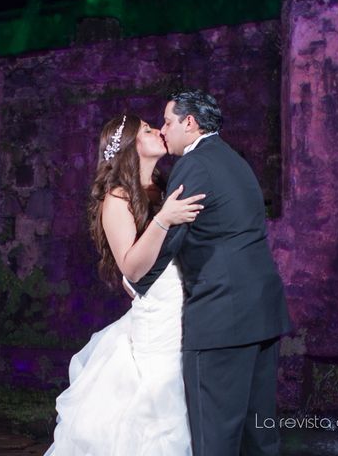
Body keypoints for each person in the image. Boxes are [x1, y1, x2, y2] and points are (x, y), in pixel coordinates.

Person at [128, 90, 292, 456]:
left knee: (215, 439)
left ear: (190, 122)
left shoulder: (194, 164)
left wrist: (137, 280)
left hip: (223, 320)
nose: (164, 130)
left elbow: (172, 234)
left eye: (168, 122)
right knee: (260, 438)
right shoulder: (234, 160)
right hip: (262, 312)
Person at [44, 114, 204, 456]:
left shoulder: (163, 187)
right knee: (159, 408)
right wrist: (164, 219)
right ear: (132, 146)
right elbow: (131, 268)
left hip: (182, 305)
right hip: (155, 320)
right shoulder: (116, 199)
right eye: (147, 130)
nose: (159, 131)